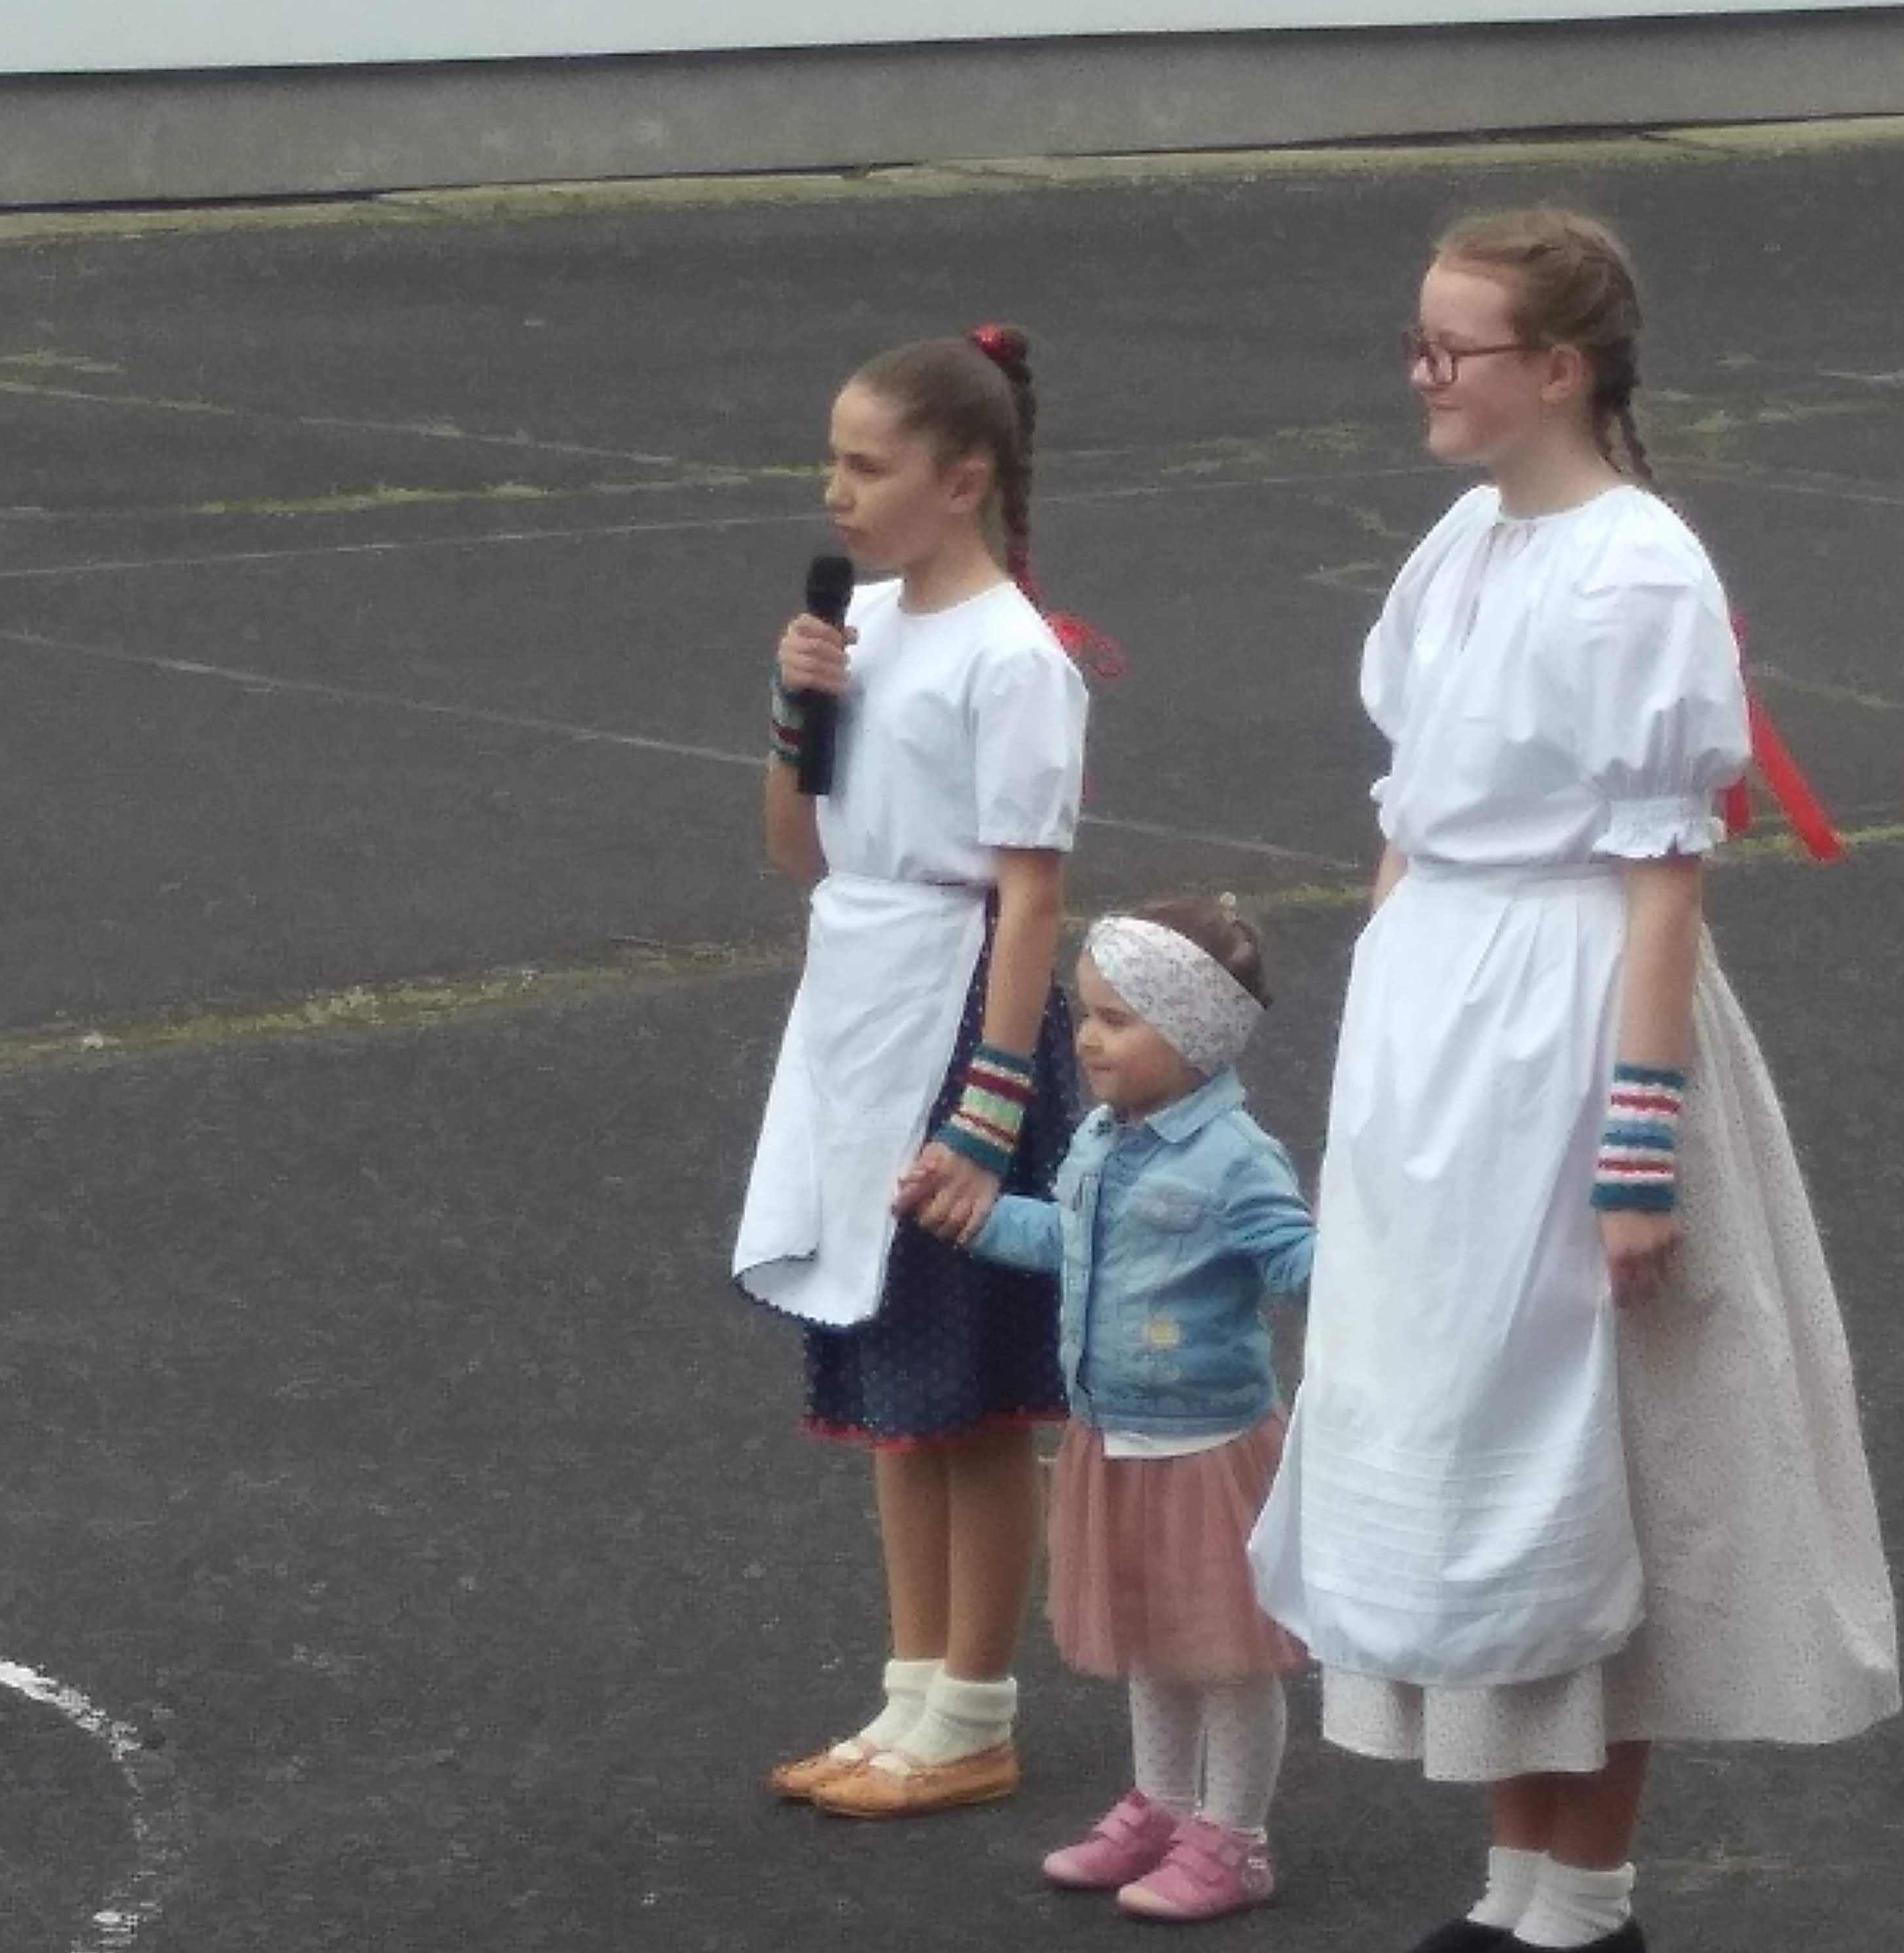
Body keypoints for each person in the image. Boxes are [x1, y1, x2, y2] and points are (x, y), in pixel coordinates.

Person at [1248, 208, 1900, 1953]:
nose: (1420, 375)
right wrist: (1383, 1055)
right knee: (1466, 1445)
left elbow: (1661, 881)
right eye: (1415, 340)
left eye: (1450, 349)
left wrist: (1635, 1149)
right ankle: (1515, 1889)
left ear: (1558, 368)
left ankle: (1584, 1905)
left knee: (1586, 1449)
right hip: (1443, 1041)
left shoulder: (1634, 571)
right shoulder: (1463, 545)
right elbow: (1407, 823)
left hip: (1566, 1026)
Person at [734, 323, 1092, 1820]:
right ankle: (907, 1692)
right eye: (832, 460)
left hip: (959, 1021)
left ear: (961, 481)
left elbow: (1029, 896)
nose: (837, 491)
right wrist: (796, 712)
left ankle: (974, 1709)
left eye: (867, 466)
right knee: (892, 1375)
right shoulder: (862, 629)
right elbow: (797, 849)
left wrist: (989, 1107)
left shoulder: (1012, 659)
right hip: (859, 1004)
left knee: (972, 1395)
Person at [907, 895, 1312, 1921]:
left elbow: (1298, 1260)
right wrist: (976, 1218)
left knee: (1227, 1653)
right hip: (1112, 1433)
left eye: (1118, 1020)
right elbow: (1070, 1240)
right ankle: (1165, 1807)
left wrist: (1365, 1276)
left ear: (1196, 1032)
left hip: (1205, 1446)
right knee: (1151, 1639)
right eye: (1086, 1012)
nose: (1088, 1037)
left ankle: (1236, 1839)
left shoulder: (1236, 1158)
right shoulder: (1099, 1138)